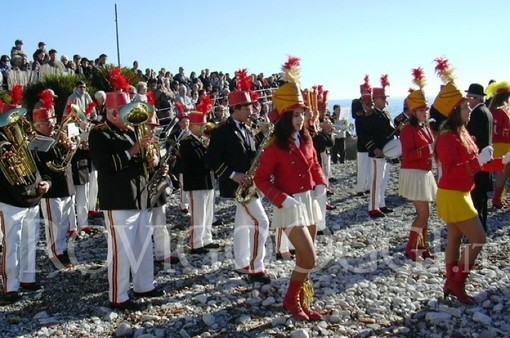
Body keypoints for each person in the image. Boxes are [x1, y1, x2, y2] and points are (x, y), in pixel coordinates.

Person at [254, 56, 327, 321]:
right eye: (296, 114)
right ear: (285, 117)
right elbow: (261, 180)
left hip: (308, 202)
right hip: (289, 206)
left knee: (306, 258)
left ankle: (301, 299)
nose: (301, 118)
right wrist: (281, 198)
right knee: (309, 259)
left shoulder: (307, 138)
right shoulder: (273, 146)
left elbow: (315, 163)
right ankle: (290, 299)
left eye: (303, 113)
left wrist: (320, 185)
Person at [434, 81, 508, 305]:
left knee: (455, 238)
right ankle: (457, 282)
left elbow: (479, 164)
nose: (469, 109)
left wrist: (502, 161)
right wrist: (478, 161)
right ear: (456, 111)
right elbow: (455, 170)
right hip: (453, 193)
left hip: (460, 191)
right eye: (465, 107)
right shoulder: (447, 136)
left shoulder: (461, 132)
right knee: (479, 238)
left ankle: (451, 281)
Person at [89, 90, 163, 310]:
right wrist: (134, 149)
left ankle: (144, 285)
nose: (131, 118)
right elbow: (105, 165)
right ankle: (118, 296)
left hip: (140, 196)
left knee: (143, 244)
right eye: (126, 113)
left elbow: (143, 162)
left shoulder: (132, 131)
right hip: (118, 199)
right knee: (121, 250)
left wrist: (154, 159)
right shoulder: (100, 134)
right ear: (113, 114)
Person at [205, 87, 270, 284]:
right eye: (248, 108)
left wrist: (262, 140)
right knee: (262, 222)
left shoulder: (247, 129)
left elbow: (250, 156)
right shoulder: (222, 131)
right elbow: (211, 160)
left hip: (249, 184)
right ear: (236, 108)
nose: (252, 111)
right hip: (237, 185)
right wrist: (233, 175)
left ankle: (242, 263)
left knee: (243, 225)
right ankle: (256, 268)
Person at [0, 100, 50, 303]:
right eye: (12, 120)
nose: (17, 123)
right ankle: (10, 286)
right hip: (10, 200)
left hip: (33, 197)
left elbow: (42, 167)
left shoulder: (28, 139)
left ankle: (27, 278)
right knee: (12, 243)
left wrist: (47, 182)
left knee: (31, 240)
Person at [399, 70, 437, 261]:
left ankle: (422, 247)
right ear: (414, 112)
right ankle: (411, 247)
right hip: (414, 173)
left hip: (425, 173)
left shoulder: (426, 127)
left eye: (426, 109)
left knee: (426, 214)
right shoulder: (407, 129)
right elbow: (408, 155)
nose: (425, 113)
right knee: (423, 214)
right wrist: (429, 149)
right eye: (422, 110)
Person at [33, 102, 77, 269]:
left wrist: (68, 148)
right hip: (51, 188)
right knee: (54, 222)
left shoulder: (55, 136)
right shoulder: (37, 142)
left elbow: (62, 161)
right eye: (47, 122)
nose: (52, 124)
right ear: (38, 125)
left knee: (64, 220)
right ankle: (54, 253)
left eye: (52, 120)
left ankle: (62, 248)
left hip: (64, 184)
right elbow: (45, 164)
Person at [179, 108, 219, 254]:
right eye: (202, 125)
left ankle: (206, 238)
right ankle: (196, 243)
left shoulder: (201, 141)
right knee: (198, 213)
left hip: (207, 180)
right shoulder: (186, 142)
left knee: (208, 212)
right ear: (195, 126)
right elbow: (197, 160)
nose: (204, 128)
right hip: (196, 182)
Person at [360, 75, 396, 217]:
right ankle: (373, 207)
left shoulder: (384, 114)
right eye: (382, 98)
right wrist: (374, 148)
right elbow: (364, 135)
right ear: (375, 100)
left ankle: (381, 203)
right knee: (376, 180)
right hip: (377, 153)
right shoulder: (371, 115)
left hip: (386, 152)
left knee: (384, 179)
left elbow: (388, 132)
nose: (385, 101)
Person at [465, 83, 493, 230]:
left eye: (469, 97)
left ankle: (478, 227)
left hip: (478, 160)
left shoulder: (477, 114)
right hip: (485, 158)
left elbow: (472, 138)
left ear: (475, 98)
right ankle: (482, 225)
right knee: (481, 196)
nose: (467, 100)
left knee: (476, 196)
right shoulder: (486, 111)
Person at [486, 81, 510, 209]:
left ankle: (499, 198)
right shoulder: (501, 111)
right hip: (502, 145)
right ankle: (497, 199)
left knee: (505, 172)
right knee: (503, 173)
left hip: (501, 145)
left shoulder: (494, 110)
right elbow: (498, 131)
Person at [353, 76, 373, 196]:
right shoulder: (356, 102)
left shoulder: (371, 103)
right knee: (362, 165)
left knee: (370, 165)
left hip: (370, 136)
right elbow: (357, 114)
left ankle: (369, 186)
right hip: (361, 135)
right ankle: (360, 188)